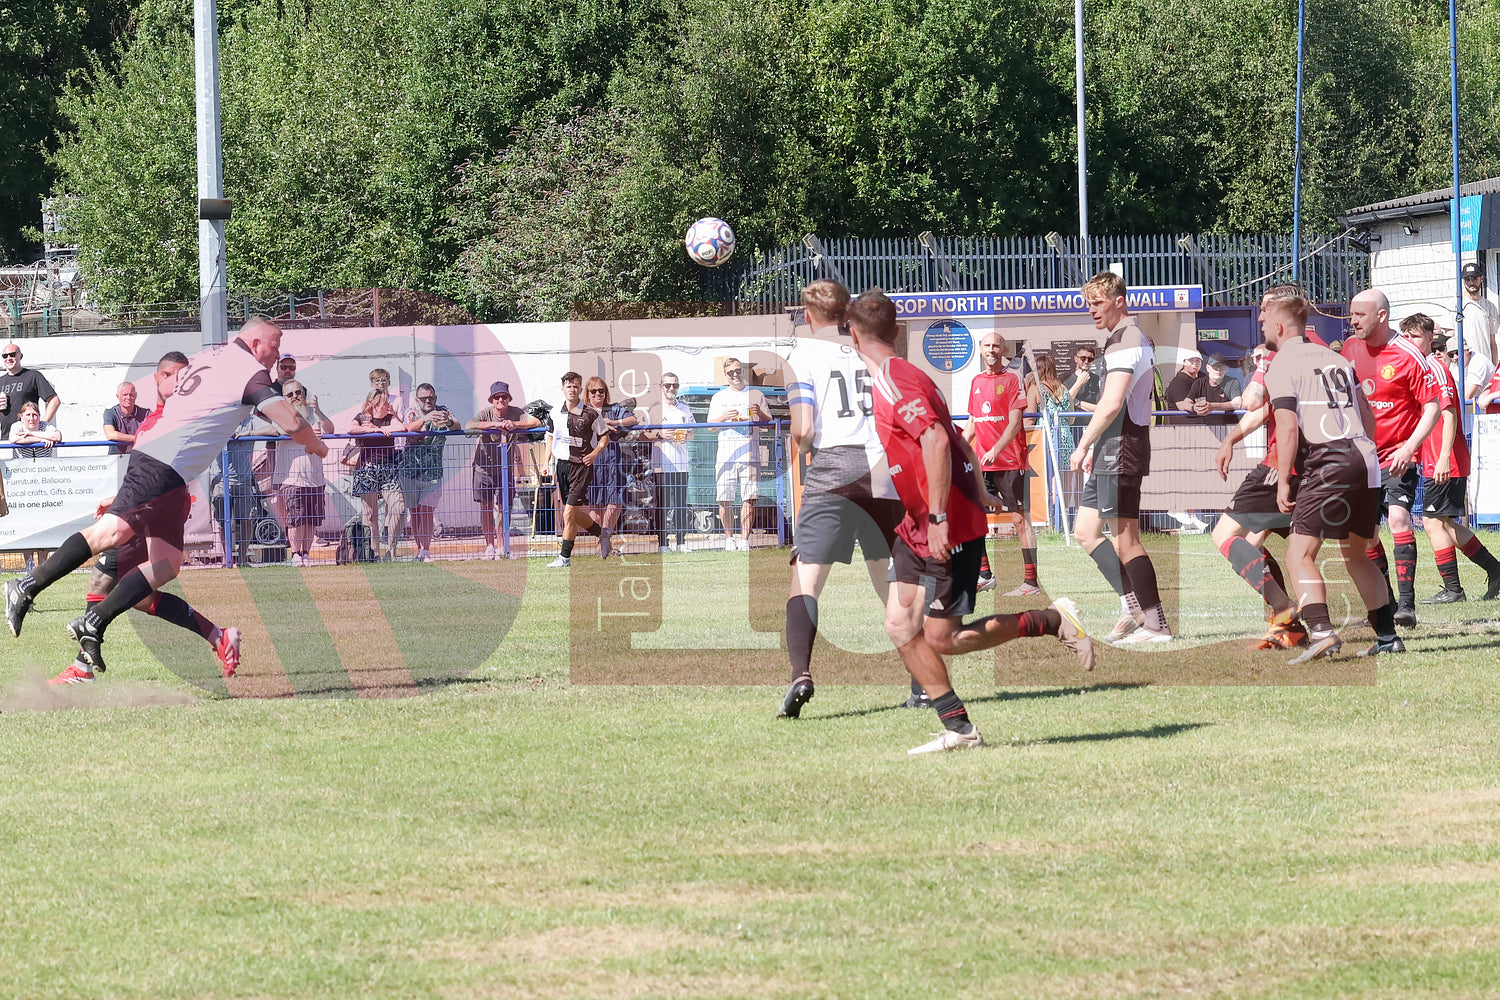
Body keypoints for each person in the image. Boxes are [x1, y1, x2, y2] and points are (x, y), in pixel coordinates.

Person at [845, 288, 1093, 754]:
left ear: (854, 337)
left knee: (944, 638)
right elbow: (960, 438)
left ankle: (1053, 619)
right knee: (900, 625)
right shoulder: (904, 376)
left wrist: (942, 515)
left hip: (945, 522)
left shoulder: (895, 379)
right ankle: (959, 728)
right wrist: (977, 490)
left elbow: (938, 441)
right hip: (920, 520)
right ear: (896, 331)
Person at [5, 319, 328, 673]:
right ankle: (30, 588)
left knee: (165, 564)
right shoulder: (248, 371)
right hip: (164, 463)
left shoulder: (213, 357)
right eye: (275, 345)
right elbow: (292, 423)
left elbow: (183, 401)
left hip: (170, 474)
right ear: (255, 343)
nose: (277, 354)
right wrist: (316, 445)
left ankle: (96, 625)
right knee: (109, 538)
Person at [48, 352, 245, 684]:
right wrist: (119, 499)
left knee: (102, 578)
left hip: (153, 511)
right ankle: (219, 636)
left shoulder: (173, 420)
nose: (178, 384)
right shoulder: (156, 421)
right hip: (149, 505)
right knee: (139, 597)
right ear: (157, 378)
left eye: (184, 379)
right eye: (171, 376)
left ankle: (82, 667)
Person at [775, 280, 906, 719]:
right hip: (883, 471)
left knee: (806, 579)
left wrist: (801, 450)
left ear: (807, 315)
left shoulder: (802, 356)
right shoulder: (870, 350)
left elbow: (804, 428)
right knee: (889, 580)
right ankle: (922, 681)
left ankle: (801, 673)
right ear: (847, 313)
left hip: (834, 468)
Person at [1263, 284, 1401, 660]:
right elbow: (1367, 417)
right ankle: (1388, 637)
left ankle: (1322, 633)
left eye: (1264, 320)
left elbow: (1287, 428)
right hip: (1364, 458)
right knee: (1357, 555)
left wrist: (1285, 478)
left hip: (1329, 460)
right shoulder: (1335, 359)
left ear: (1279, 325)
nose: (1262, 325)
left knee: (1299, 554)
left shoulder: (1282, 363)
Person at [1069, 272, 1174, 643]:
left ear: (1119, 301)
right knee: (1085, 532)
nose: (1092, 310)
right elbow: (1112, 402)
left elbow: (1113, 403)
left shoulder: (1127, 339)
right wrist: (1095, 446)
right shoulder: (1120, 338)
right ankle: (1132, 608)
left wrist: (1083, 444)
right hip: (1110, 450)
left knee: (1126, 541)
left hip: (1122, 450)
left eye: (1098, 302)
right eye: (1089, 303)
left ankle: (1156, 624)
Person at [1343, 288, 1440, 628]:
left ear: (1381, 316)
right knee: (1366, 536)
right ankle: (1386, 603)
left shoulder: (1409, 354)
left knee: (1398, 519)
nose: (1352, 321)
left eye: (1359, 315)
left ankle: (1407, 606)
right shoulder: (1349, 348)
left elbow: (1432, 408)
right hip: (1362, 459)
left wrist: (1409, 448)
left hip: (1397, 458)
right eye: (1351, 314)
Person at [1398, 313, 1500, 603]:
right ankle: (1494, 570)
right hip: (1434, 456)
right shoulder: (1419, 366)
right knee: (1440, 522)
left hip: (1446, 458)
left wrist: (1444, 457)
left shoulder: (1434, 368)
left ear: (1431, 339)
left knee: (1433, 522)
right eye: (1406, 336)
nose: (1410, 341)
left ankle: (1454, 589)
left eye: (1415, 336)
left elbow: (1450, 414)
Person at [1212, 339, 1305, 650]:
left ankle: (1284, 609)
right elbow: (1268, 410)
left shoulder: (1278, 356)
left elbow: (1253, 401)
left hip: (1281, 466)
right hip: (1315, 466)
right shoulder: (1315, 351)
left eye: (1265, 316)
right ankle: (1293, 627)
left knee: (1225, 535)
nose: (1261, 319)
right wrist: (1231, 439)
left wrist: (1262, 364)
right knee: (1254, 543)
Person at [964, 332, 1042, 597]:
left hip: (1010, 461)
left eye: (996, 346)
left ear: (1003, 350)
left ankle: (1031, 582)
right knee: (972, 518)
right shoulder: (976, 382)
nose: (991, 349)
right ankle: (985, 575)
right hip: (983, 465)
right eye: (987, 345)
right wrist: (955, 448)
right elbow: (972, 424)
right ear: (981, 350)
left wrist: (995, 450)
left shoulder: (1012, 379)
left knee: (1020, 521)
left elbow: (1014, 423)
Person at [546, 371, 612, 568]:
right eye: (569, 386)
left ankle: (564, 558)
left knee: (568, 514)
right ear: (563, 389)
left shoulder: (590, 413)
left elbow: (605, 436)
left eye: (575, 386)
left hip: (582, 466)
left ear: (580, 389)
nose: (572, 390)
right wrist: (545, 463)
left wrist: (595, 453)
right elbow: (550, 437)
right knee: (572, 514)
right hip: (562, 466)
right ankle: (602, 533)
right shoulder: (555, 413)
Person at [708, 356, 769, 551]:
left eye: (737, 371)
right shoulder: (719, 397)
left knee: (749, 499)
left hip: (750, 456)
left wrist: (759, 413)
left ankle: (744, 540)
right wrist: (724, 417)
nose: (735, 375)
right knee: (725, 499)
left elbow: (768, 423)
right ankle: (729, 539)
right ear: (725, 375)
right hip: (726, 456)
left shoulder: (756, 394)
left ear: (742, 371)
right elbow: (710, 427)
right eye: (730, 372)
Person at [397, 382, 460, 563]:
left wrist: (448, 421)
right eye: (424, 398)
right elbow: (407, 428)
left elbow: (457, 426)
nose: (427, 401)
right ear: (417, 400)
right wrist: (426, 419)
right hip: (410, 471)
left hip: (433, 472)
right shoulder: (411, 412)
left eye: (431, 398)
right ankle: (420, 550)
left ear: (435, 398)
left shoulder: (443, 410)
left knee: (427, 511)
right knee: (415, 512)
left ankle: (425, 550)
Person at [274, 378, 334, 567]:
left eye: (298, 392)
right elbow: (283, 431)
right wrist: (309, 434)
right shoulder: (282, 415)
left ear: (304, 394)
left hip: (315, 477)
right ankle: (295, 554)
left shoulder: (313, 414)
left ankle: (305, 553)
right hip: (291, 477)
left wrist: (318, 410)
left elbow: (330, 429)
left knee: (311, 520)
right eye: (290, 394)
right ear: (284, 398)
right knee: (296, 519)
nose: (295, 396)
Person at [466, 381, 529, 560]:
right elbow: (469, 425)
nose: (500, 400)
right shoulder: (486, 413)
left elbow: (535, 421)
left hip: (505, 469)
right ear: (492, 400)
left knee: (504, 508)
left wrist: (515, 424)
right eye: (497, 397)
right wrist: (493, 425)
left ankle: (502, 546)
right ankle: (489, 546)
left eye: (504, 396)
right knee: (486, 507)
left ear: (509, 398)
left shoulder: (516, 412)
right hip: (483, 469)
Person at [347, 389, 407, 561]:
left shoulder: (390, 417)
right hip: (367, 470)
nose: (388, 404)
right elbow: (351, 428)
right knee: (370, 514)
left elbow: (401, 427)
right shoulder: (362, 417)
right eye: (385, 401)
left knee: (399, 507)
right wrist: (370, 430)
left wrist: (378, 429)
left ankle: (391, 550)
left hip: (388, 470)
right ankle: (373, 553)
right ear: (374, 403)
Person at [583, 376, 637, 549]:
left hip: (613, 459)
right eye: (593, 391)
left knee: (616, 501)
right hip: (591, 459)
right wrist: (599, 425)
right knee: (594, 502)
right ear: (587, 393)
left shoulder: (613, 409)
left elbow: (633, 420)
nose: (597, 394)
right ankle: (601, 542)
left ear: (606, 393)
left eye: (601, 390)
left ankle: (605, 537)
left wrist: (613, 422)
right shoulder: (583, 410)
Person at [644, 372, 695, 552]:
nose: (671, 388)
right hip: (661, 466)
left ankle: (681, 542)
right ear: (661, 387)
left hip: (681, 464)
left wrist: (686, 436)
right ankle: (663, 544)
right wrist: (660, 434)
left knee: (681, 504)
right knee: (662, 505)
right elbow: (644, 434)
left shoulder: (685, 408)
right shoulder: (654, 409)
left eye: (675, 385)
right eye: (668, 385)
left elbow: (692, 433)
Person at [0, 341, 61, 440]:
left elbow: (54, 401)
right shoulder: (1, 381)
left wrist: (42, 424)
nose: (8, 358)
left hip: (29, 438)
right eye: (5, 356)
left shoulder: (33, 376)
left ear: (20, 356)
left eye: (12, 354)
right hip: (7, 437)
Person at [1461, 261, 1497, 366]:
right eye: (1468, 279)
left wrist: (1494, 367)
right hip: (1465, 366)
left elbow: (1492, 341)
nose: (1471, 282)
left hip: (1485, 364)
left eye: (1474, 278)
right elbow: (1451, 336)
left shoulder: (1490, 306)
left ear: (1481, 279)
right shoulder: (1456, 304)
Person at [1193, 353, 1243, 424]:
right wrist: (1194, 407)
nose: (1218, 369)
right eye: (1215, 367)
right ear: (1207, 368)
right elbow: (1186, 402)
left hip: (1230, 425)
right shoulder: (1199, 383)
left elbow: (1237, 403)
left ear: (1226, 369)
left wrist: (1213, 406)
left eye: (1221, 366)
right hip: (1203, 427)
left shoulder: (1233, 382)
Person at [102, 381, 148, 454]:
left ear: (136, 395)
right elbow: (110, 434)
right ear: (118, 396)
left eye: (131, 394)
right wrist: (136, 438)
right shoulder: (110, 413)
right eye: (125, 395)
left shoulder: (146, 413)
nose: (128, 397)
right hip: (116, 459)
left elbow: (154, 434)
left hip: (139, 458)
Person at [1162, 350, 1204, 424]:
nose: (1195, 363)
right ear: (1184, 362)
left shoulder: (1197, 381)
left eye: (1198, 360)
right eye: (1191, 360)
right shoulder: (1180, 381)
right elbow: (1182, 406)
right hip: (1186, 427)